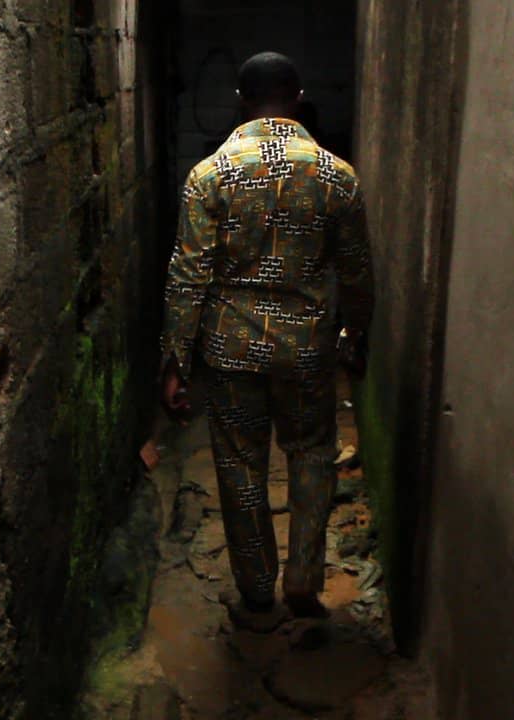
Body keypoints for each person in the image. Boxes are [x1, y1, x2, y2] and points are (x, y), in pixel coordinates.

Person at [159, 51, 374, 630]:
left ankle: (256, 593)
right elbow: (357, 271)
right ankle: (303, 577)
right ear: (299, 98)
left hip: (230, 349)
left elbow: (188, 275)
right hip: (307, 348)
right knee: (311, 453)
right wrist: (356, 334)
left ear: (240, 101)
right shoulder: (337, 176)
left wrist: (175, 360)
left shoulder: (208, 176)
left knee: (240, 465)